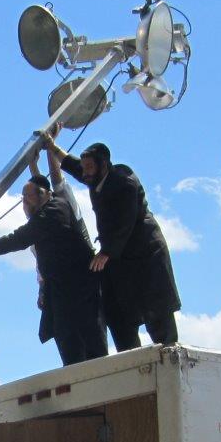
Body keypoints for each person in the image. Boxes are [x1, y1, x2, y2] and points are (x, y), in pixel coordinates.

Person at [0, 162, 106, 367]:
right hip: (62, 292)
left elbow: (21, 237)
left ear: (44, 195)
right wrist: (33, 165)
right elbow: (40, 189)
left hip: (81, 292)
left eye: (28, 197)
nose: (24, 203)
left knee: (90, 349)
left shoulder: (56, 210)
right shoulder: (46, 211)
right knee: (69, 348)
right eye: (23, 198)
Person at [50, 136, 181, 351]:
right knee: (118, 312)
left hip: (145, 254)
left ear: (103, 165)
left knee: (156, 310)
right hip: (119, 257)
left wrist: (107, 251)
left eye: (90, 167)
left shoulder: (123, 182)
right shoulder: (94, 177)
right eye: (85, 167)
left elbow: (125, 221)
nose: (85, 172)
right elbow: (74, 166)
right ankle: (130, 357)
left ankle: (169, 353)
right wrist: (52, 147)